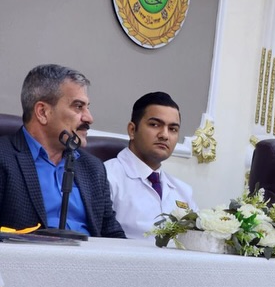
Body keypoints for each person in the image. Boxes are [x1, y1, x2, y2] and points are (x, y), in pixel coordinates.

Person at [0, 64, 125, 238]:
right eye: (78, 106)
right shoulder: (4, 157)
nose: (89, 118)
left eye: (87, 107)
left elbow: (112, 233)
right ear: (43, 112)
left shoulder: (93, 168)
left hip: (90, 254)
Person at [104, 92, 198, 240]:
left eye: (173, 129)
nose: (164, 135)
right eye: (154, 125)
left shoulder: (184, 191)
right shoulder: (106, 177)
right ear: (132, 130)